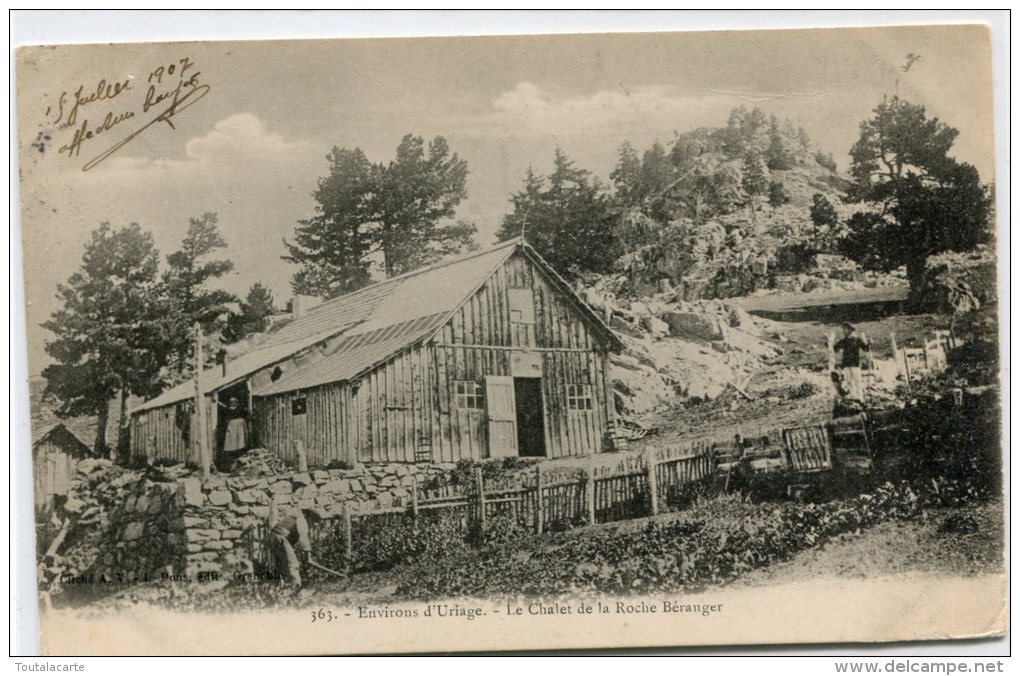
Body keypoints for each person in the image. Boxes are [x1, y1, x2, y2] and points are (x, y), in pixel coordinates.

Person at [267, 506, 323, 588]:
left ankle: (280, 587)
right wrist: (309, 557)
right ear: (310, 517)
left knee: (281, 565)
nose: (313, 524)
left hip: (273, 537)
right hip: (280, 538)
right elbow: (303, 538)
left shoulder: (296, 518)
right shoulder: (302, 521)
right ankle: (296, 587)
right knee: (293, 565)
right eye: (314, 521)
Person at [833, 322, 871, 402]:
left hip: (855, 363)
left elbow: (865, 348)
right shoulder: (844, 340)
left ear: (850, 330)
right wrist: (830, 344)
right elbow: (836, 349)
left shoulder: (857, 339)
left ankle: (860, 398)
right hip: (846, 364)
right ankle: (853, 397)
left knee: (857, 381)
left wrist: (869, 344)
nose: (844, 331)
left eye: (845, 329)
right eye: (843, 329)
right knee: (849, 381)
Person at [218, 396, 248, 466]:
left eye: (234, 402)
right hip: (233, 426)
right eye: (231, 402)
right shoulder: (228, 409)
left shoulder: (239, 409)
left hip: (239, 425)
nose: (233, 403)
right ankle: (234, 452)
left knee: (240, 439)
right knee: (232, 439)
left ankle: (239, 451)